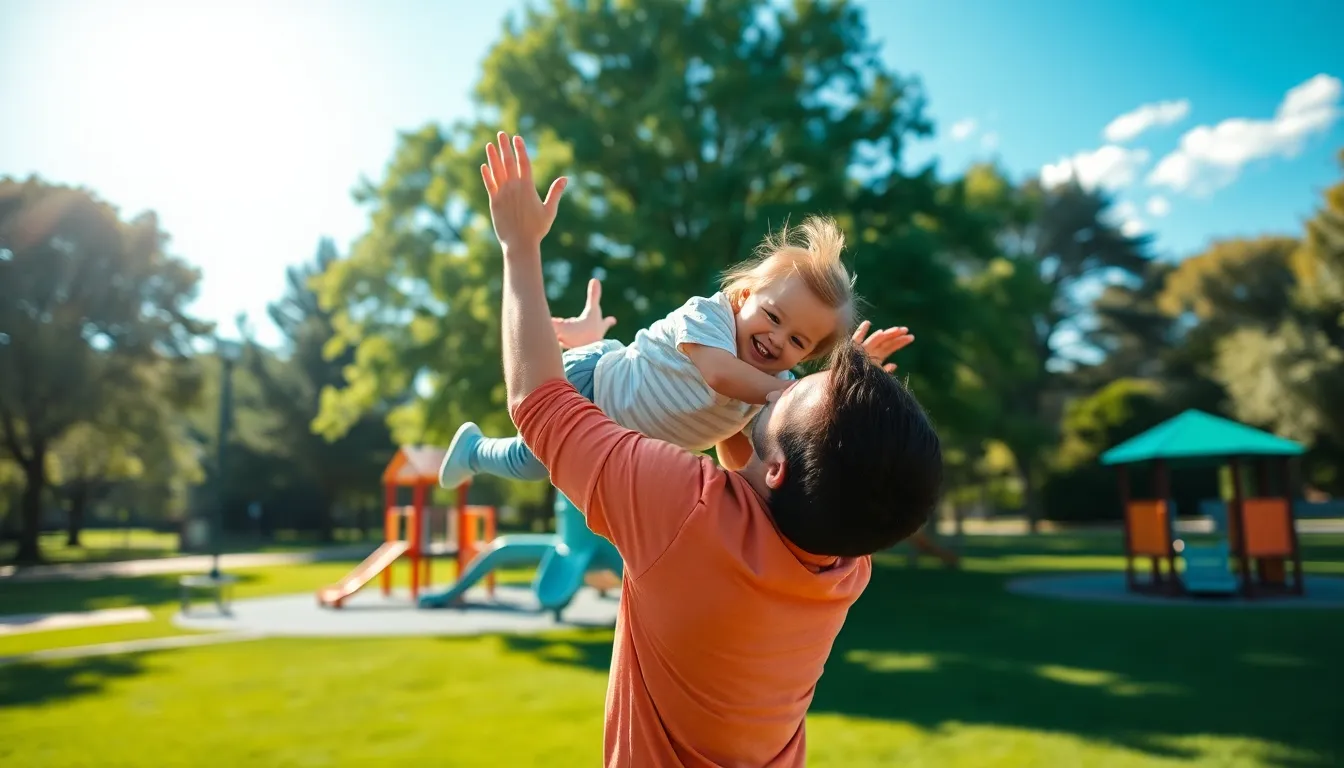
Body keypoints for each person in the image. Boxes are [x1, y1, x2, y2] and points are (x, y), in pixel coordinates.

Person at [481, 131, 942, 766]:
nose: (786, 371)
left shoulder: (683, 512)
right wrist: (854, 413)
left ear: (778, 466)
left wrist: (520, 247)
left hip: (599, 382)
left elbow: (539, 403)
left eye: (802, 379)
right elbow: (824, 470)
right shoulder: (842, 568)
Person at [437, 212, 912, 489]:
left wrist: (744, 486)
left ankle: (591, 336)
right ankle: (475, 449)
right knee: (531, 462)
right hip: (592, 386)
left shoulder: (772, 390)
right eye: (773, 317)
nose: (777, 339)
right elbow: (720, 377)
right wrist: (828, 387)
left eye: (798, 342)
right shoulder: (710, 316)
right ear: (744, 297)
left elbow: (734, 442)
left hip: (619, 430)